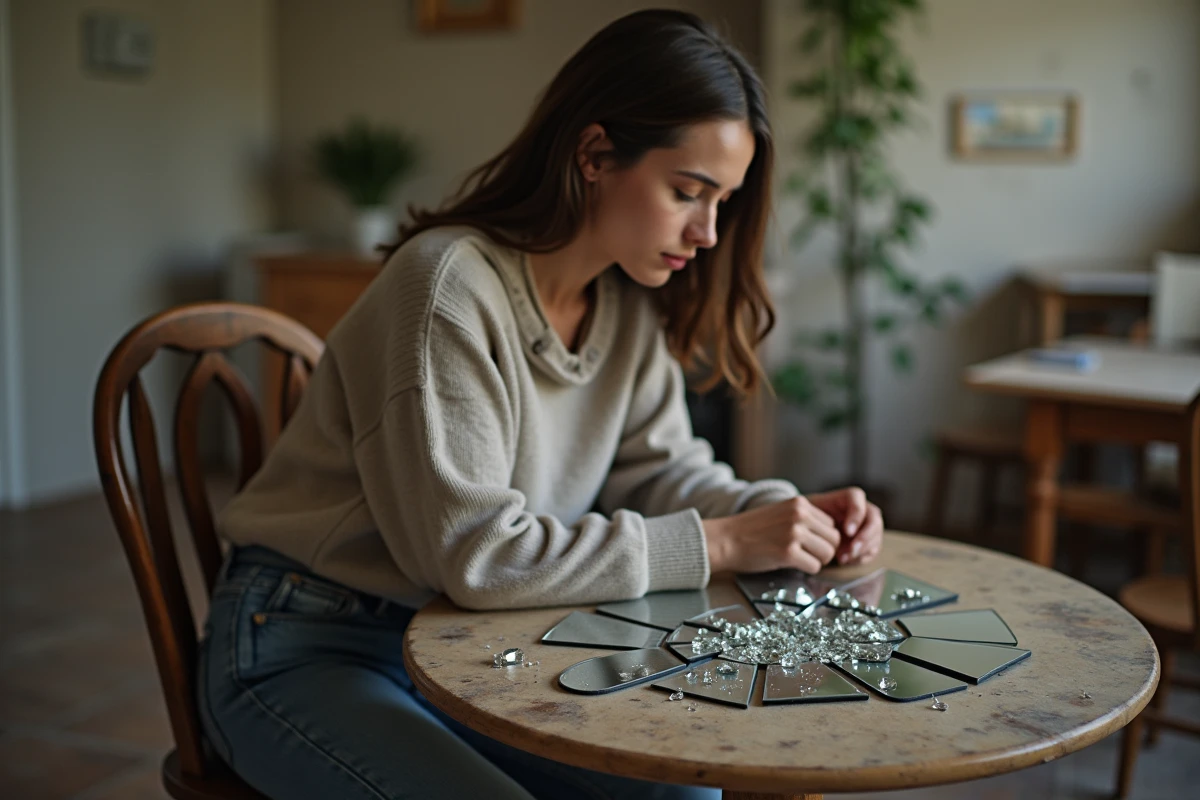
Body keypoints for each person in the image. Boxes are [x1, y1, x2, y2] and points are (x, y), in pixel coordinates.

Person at [198, 8, 884, 800]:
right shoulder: (445, 288)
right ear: (594, 154)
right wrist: (724, 544)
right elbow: (478, 556)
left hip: (466, 645)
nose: (707, 232)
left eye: (722, 201)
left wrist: (784, 519)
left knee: (686, 789)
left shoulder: (626, 304)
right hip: (305, 640)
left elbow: (662, 472)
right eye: (688, 192)